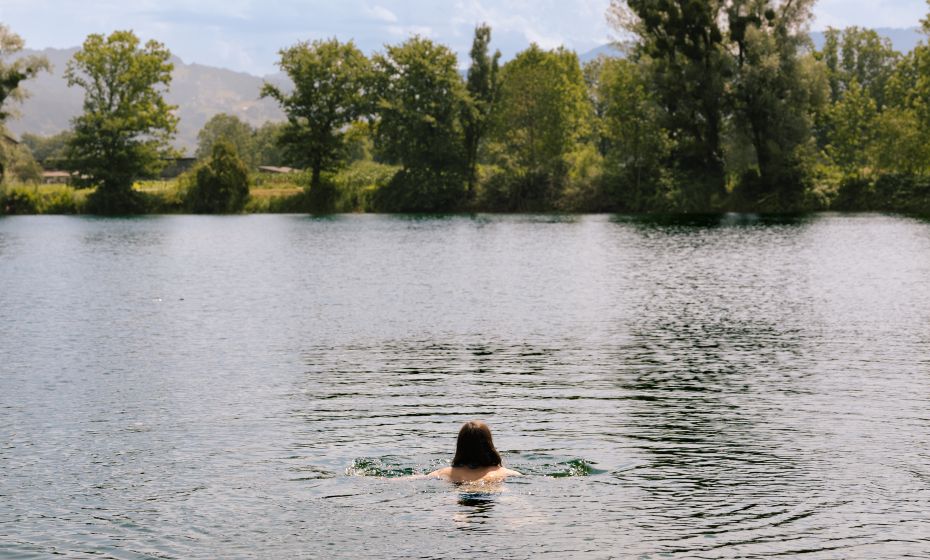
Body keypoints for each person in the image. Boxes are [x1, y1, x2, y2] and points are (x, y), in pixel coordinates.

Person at [427, 420, 521, 483]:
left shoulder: (443, 473)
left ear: (460, 446)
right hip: (491, 489)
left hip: (460, 491)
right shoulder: (505, 473)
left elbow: (414, 479)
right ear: (489, 445)